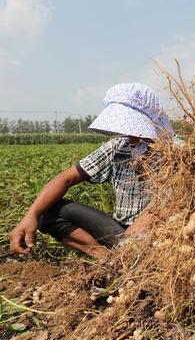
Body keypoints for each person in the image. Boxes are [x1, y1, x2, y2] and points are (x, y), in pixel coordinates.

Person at [9, 83, 174, 259]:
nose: (130, 133)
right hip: (119, 233)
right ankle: (108, 261)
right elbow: (66, 178)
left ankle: (130, 258)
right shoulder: (118, 147)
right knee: (47, 212)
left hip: (162, 233)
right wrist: (30, 215)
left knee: (147, 241)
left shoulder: (178, 154)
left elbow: (179, 202)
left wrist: (143, 226)